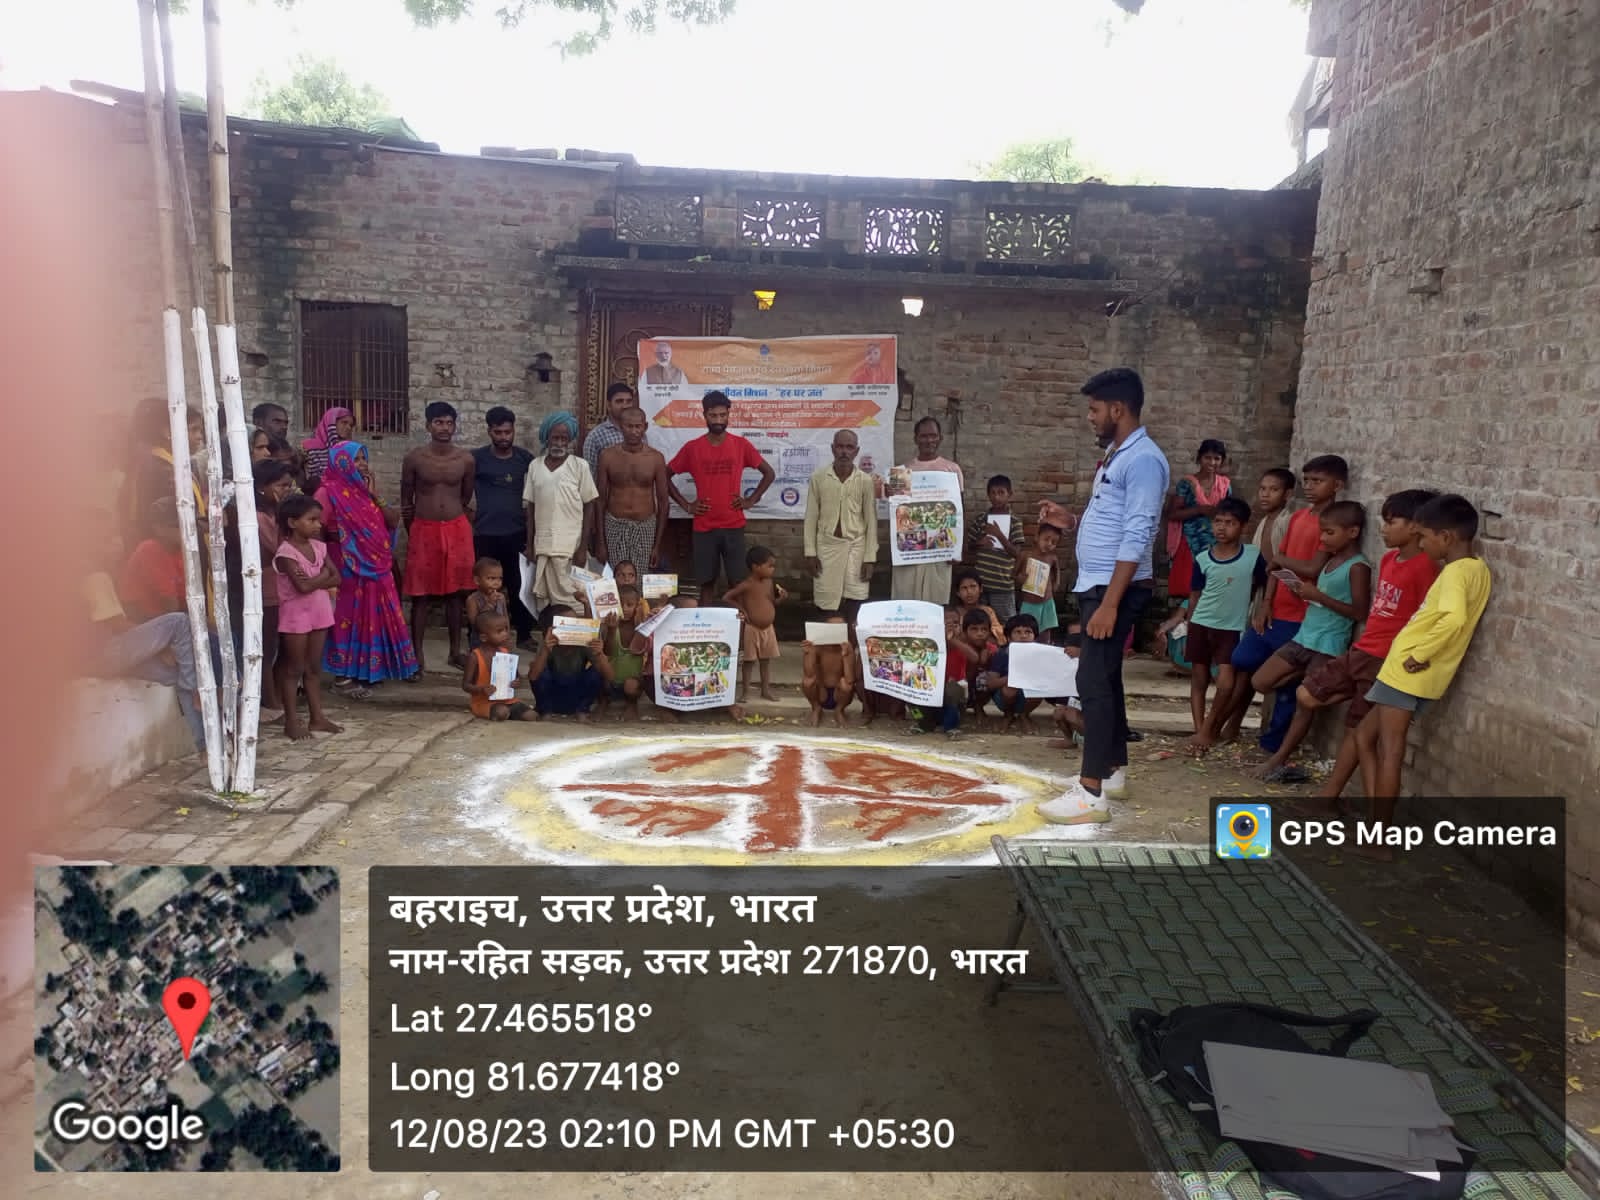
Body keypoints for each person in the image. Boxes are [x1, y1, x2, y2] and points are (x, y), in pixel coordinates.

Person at [1036, 367, 1168, 824]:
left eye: (1094, 410)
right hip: (1099, 583)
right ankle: (1112, 771)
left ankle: (1090, 793)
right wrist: (1071, 521)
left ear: (1118, 409)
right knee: (1106, 679)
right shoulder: (1118, 454)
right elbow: (1114, 519)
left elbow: (1139, 532)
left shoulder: (1144, 460)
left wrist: (1110, 603)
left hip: (1114, 589)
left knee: (1091, 681)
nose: (1090, 417)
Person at [1266, 489, 1441, 791]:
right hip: (1363, 649)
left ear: (1415, 526)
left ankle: (1331, 797)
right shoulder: (1389, 559)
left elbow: (1428, 617)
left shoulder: (1426, 567)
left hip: (1387, 658)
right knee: (1307, 694)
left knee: (1357, 731)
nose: (1383, 529)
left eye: (1391, 522)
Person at [1352, 495, 1491, 860]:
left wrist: (1419, 654)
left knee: (1390, 752)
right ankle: (1374, 822)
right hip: (1412, 674)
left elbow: (1454, 619)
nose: (1423, 544)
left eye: (1425, 537)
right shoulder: (1477, 569)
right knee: (1364, 737)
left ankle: (1379, 837)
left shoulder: (1456, 573)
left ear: (1446, 537)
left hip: (1407, 671)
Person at [1212, 455, 1349, 751]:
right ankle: (1227, 726)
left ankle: (1273, 744)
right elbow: (1275, 566)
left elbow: (1311, 568)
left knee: (1287, 688)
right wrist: (1267, 602)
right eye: (1307, 481)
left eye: (1318, 481)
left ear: (1337, 486)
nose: (1310, 487)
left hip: (1303, 615)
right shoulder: (1298, 518)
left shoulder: (1333, 524)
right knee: (1243, 661)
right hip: (1276, 608)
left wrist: (1281, 561)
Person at [1245, 500, 1371, 768]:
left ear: (1353, 532)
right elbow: (1321, 597)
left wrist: (1319, 597)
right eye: (1322, 532)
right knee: (1260, 681)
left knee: (1306, 706)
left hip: (1328, 643)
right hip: (1304, 637)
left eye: (1329, 532)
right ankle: (1302, 678)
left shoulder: (1358, 567)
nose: (1322, 538)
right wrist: (1304, 593)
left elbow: (1359, 612)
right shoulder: (1330, 560)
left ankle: (1279, 758)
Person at [1152, 497, 1267, 755]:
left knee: (1225, 683)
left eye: (1230, 523)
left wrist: (1263, 608)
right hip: (1201, 623)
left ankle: (1209, 728)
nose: (1222, 528)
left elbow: (1265, 584)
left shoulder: (1252, 556)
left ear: (1243, 527)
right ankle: (1200, 729)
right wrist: (1190, 624)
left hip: (1231, 628)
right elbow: (1195, 596)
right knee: (1199, 678)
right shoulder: (1203, 558)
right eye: (1218, 522)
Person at [316, 441, 419, 694]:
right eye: (356, 459)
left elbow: (392, 520)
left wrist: (374, 495)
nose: (362, 464)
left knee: (371, 615)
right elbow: (316, 529)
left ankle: (370, 669)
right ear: (341, 462)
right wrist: (325, 562)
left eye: (364, 458)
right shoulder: (327, 492)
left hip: (375, 564)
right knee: (346, 617)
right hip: (343, 564)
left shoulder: (364, 491)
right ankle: (343, 676)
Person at [84, 560, 206, 751]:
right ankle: (195, 693)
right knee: (179, 622)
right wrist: (160, 647)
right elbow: (117, 625)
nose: (117, 546)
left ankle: (204, 747)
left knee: (181, 672)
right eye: (109, 543)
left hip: (95, 661)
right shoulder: (96, 578)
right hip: (102, 653)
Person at [667, 391, 775, 604]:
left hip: (733, 525)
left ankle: (739, 623)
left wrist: (751, 500)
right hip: (704, 527)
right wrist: (687, 505)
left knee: (737, 583)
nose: (718, 420)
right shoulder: (693, 448)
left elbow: (769, 473)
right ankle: (705, 622)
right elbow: (664, 475)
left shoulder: (740, 445)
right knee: (706, 584)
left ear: (728, 415)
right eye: (713, 415)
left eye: (722, 415)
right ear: (704, 416)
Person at [402, 400, 477, 671]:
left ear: (455, 426)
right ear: (428, 425)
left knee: (456, 594)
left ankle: (455, 651)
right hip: (424, 529)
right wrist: (414, 530)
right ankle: (416, 654)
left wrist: (454, 520)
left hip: (456, 529)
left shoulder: (465, 460)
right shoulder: (415, 459)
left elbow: (466, 495)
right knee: (420, 595)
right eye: (438, 422)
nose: (444, 428)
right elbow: (406, 499)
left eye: (449, 423)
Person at [226, 459, 295, 710]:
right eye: (281, 485)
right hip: (263, 590)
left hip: (278, 587)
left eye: (289, 485)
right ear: (262, 487)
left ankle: (275, 696)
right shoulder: (257, 517)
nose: (287, 490)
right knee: (265, 646)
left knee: (279, 646)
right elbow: (280, 548)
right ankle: (269, 700)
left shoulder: (274, 514)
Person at [273, 493, 342, 742]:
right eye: (311, 520)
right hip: (295, 616)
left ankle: (317, 717)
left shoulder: (319, 547)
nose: (318, 524)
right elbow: (303, 587)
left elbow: (337, 577)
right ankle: (291, 721)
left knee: (313, 667)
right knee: (294, 668)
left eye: (318, 519)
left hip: (319, 611)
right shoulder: (286, 554)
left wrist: (317, 579)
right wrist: (322, 576)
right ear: (292, 523)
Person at [471, 406, 536, 648]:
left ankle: (524, 635)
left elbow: (535, 495)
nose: (503, 437)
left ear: (514, 430)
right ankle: (479, 636)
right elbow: (463, 490)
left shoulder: (525, 459)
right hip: (485, 534)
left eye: (507, 432)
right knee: (484, 588)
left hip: (515, 533)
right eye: (498, 432)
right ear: (489, 431)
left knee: (518, 586)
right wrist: (471, 516)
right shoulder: (476, 459)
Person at [523, 410, 599, 615]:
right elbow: (530, 506)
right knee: (547, 604)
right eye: (555, 438)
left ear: (570, 439)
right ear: (546, 438)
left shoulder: (580, 466)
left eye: (563, 438)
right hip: (543, 545)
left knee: (575, 601)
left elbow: (589, 505)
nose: (559, 443)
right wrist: (529, 544)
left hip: (571, 547)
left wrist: (583, 547)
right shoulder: (535, 466)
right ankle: (552, 635)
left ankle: (578, 634)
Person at [888, 416, 965, 605]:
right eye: (923, 436)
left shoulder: (952, 470)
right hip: (910, 549)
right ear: (915, 438)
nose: (929, 440)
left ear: (940, 438)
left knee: (935, 603)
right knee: (906, 600)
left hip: (940, 547)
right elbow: (897, 511)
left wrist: (957, 549)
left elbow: (959, 511)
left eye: (933, 435)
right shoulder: (903, 471)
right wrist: (890, 493)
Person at [803, 429, 878, 619]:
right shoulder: (819, 478)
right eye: (840, 446)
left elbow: (871, 521)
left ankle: (851, 638)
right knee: (826, 603)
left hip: (856, 546)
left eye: (849, 447)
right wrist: (810, 553)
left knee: (855, 601)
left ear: (856, 451)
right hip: (827, 546)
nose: (844, 451)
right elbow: (811, 518)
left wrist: (870, 558)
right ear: (832, 448)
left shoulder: (865, 481)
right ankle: (828, 638)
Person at [595, 407, 670, 573]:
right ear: (620, 427)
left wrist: (657, 545)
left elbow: (664, 502)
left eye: (638, 426)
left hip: (645, 525)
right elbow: (600, 500)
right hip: (614, 524)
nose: (634, 431)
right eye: (629, 426)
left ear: (645, 427)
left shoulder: (656, 458)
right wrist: (600, 541)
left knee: (639, 579)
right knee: (615, 579)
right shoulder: (607, 456)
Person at [1162, 439, 1232, 607]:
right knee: (1188, 588)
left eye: (1217, 458)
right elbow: (1172, 514)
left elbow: (1230, 514)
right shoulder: (1186, 484)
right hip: (1191, 542)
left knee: (1210, 590)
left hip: (1216, 543)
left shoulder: (1225, 485)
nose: (1212, 462)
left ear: (1222, 461)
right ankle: (1184, 621)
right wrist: (1199, 510)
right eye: (1207, 457)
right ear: (1199, 458)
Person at [725, 544, 786, 703]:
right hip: (752, 628)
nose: (773, 569)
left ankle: (765, 690)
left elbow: (772, 602)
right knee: (749, 661)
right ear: (756, 567)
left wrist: (781, 598)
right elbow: (727, 597)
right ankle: (745, 692)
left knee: (766, 661)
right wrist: (742, 610)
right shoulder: (747, 584)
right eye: (769, 566)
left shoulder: (769, 583)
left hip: (768, 629)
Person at [527, 606, 611, 719]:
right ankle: (546, 711)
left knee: (595, 672)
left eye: (575, 622)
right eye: (568, 624)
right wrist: (546, 650)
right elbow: (533, 676)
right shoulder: (548, 643)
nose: (574, 627)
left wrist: (600, 654)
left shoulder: (585, 642)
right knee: (540, 670)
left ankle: (582, 710)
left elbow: (610, 677)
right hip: (553, 694)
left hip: (576, 692)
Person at [118, 498, 188, 626]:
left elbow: (186, 600)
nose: (186, 529)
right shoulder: (150, 549)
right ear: (158, 528)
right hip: (141, 624)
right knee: (181, 621)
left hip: (164, 621)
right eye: (178, 525)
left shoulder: (178, 551)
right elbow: (171, 606)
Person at [967, 474, 1026, 622]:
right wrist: (980, 543)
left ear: (1009, 494)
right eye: (992, 493)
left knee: (1006, 623)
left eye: (1001, 493)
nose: (996, 497)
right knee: (980, 622)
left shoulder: (1015, 522)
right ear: (988, 495)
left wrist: (999, 535)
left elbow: (1017, 553)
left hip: (1003, 585)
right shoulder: (981, 519)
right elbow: (969, 547)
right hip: (981, 585)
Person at [979, 613, 1050, 733]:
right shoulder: (1001, 655)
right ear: (1009, 638)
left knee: (1039, 687)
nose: (1023, 636)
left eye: (1028, 632)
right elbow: (991, 684)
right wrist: (1014, 677)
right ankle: (1008, 715)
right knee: (1010, 688)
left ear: (1035, 637)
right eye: (1018, 632)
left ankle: (1024, 715)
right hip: (1004, 698)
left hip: (1029, 698)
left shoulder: (1040, 655)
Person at [462, 612, 538, 722]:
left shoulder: (505, 652)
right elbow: (465, 685)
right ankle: (503, 714)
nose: (505, 634)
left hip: (508, 700)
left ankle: (508, 713)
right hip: (484, 702)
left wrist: (516, 682)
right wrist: (481, 689)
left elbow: (516, 676)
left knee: (532, 715)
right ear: (484, 637)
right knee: (501, 712)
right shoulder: (475, 656)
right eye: (499, 631)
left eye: (506, 630)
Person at [597, 587, 649, 721]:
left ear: (637, 606)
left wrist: (641, 625)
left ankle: (632, 704)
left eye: (629, 605)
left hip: (633, 681)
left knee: (631, 685)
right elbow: (608, 652)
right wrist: (612, 630)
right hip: (612, 679)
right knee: (600, 679)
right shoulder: (608, 625)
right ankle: (603, 702)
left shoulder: (642, 626)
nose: (624, 609)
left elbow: (640, 649)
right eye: (620, 605)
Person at [801, 615, 856, 727]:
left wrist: (845, 656)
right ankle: (816, 708)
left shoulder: (847, 646)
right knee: (807, 681)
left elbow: (850, 679)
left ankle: (839, 710)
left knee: (846, 684)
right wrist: (808, 653)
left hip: (839, 693)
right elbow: (809, 673)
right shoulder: (817, 646)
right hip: (821, 691)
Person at [1016, 523, 1066, 642]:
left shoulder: (1052, 558)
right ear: (1037, 537)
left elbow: (1056, 572)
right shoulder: (1025, 555)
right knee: (1027, 630)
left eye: (1054, 542)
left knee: (1046, 631)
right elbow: (1013, 574)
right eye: (1046, 539)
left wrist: (1056, 583)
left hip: (1047, 601)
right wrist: (1020, 578)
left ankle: (1045, 647)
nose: (1049, 544)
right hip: (1029, 601)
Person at [583, 381, 642, 475]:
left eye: (629, 401)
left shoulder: (640, 432)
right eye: (619, 401)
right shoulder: (596, 436)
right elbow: (589, 475)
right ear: (609, 405)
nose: (625, 406)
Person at [301, 406, 353, 491]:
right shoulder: (307, 447)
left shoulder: (346, 449)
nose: (348, 427)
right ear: (331, 422)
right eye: (344, 422)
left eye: (350, 425)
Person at [1252, 467, 1299, 559]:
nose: (1265, 494)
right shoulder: (1264, 521)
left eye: (1274, 489)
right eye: (1263, 488)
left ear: (1287, 494)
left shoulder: (1288, 522)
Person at [465, 557, 509, 651]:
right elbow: (475, 623)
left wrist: (507, 634)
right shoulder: (472, 600)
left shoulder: (501, 597)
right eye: (491, 578)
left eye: (500, 578)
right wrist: (489, 604)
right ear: (477, 580)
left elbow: (505, 618)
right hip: (480, 643)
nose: (497, 583)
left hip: (500, 642)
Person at [954, 569, 1006, 644]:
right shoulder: (954, 614)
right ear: (958, 593)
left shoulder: (988, 611)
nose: (969, 592)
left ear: (980, 589)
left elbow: (999, 637)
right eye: (964, 588)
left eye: (973, 586)